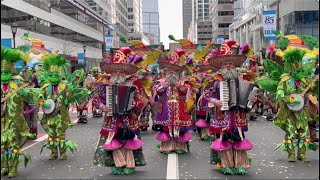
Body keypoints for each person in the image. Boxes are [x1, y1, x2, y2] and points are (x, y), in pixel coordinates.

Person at [257, 33, 319, 162]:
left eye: (298, 63)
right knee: (290, 133)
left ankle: (302, 154)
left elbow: (311, 92)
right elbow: (280, 93)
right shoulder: (285, 79)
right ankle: (291, 154)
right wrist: (289, 99)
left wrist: (313, 86)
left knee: (303, 133)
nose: (296, 66)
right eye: (293, 63)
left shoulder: (305, 80)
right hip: (290, 111)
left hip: (302, 113)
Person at [93, 47, 146, 175]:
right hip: (112, 119)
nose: (118, 74)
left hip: (129, 119)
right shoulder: (106, 87)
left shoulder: (133, 86)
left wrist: (134, 104)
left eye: (121, 72)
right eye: (116, 72)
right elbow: (96, 100)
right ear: (112, 73)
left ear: (125, 73)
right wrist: (102, 106)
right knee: (113, 141)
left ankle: (129, 164)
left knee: (128, 141)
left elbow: (140, 102)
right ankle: (118, 164)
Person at [207, 41, 257, 175]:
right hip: (223, 115)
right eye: (225, 64)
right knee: (225, 138)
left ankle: (240, 164)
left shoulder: (243, 79)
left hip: (238, 115)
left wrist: (251, 101)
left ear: (235, 66)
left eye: (231, 64)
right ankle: (226, 163)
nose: (229, 66)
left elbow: (248, 101)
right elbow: (205, 97)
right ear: (221, 67)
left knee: (239, 137)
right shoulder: (216, 81)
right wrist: (215, 100)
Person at [37, 54, 89, 160]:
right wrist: (42, 102)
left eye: (55, 76)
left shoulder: (64, 87)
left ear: (59, 76)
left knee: (60, 134)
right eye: (51, 76)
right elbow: (40, 97)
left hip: (61, 114)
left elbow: (69, 98)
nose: (53, 78)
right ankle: (53, 152)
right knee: (51, 135)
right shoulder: (45, 87)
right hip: (49, 116)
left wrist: (68, 96)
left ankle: (63, 152)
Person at [1, 47, 35, 177]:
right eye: (1, 72)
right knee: (2, 145)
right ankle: (4, 166)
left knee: (12, 143)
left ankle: (13, 168)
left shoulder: (18, 83)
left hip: (14, 120)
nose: (3, 75)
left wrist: (25, 93)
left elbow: (29, 97)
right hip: (1, 120)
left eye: (6, 72)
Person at [155, 49, 193, 154]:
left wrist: (179, 86)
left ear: (178, 72)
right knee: (166, 128)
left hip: (180, 108)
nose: (172, 72)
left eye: (174, 70)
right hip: (165, 109)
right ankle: (166, 146)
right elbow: (156, 91)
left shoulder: (183, 81)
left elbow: (187, 91)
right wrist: (162, 87)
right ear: (166, 71)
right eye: (170, 70)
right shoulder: (161, 81)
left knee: (180, 128)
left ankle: (180, 146)